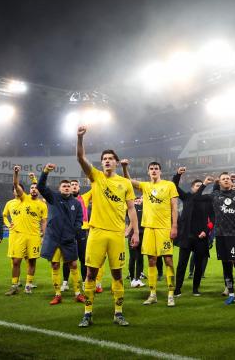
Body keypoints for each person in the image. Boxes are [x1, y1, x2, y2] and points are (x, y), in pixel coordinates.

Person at [76, 126, 139, 327]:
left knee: (117, 273)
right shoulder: (95, 176)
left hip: (117, 234)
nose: (107, 161)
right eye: (104, 159)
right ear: (101, 163)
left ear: (116, 162)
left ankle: (118, 313)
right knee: (90, 274)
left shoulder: (125, 183)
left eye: (110, 158)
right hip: (96, 232)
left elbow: (131, 209)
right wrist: (80, 138)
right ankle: (87, 313)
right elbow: (80, 158)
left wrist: (134, 230)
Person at [197, 172, 235, 308]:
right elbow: (196, 198)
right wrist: (205, 184)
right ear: (219, 182)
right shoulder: (215, 196)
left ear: (231, 181)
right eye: (223, 179)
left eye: (228, 179)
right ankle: (231, 295)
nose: (226, 180)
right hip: (221, 235)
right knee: (226, 264)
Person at [129, 161, 178, 306]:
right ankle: (153, 294)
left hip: (164, 228)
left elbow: (174, 207)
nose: (154, 170)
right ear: (148, 172)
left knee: (168, 260)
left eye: (156, 168)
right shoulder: (145, 186)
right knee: (151, 260)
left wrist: (174, 226)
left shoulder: (169, 185)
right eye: (151, 169)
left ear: (160, 171)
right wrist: (125, 167)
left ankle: (170, 294)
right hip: (149, 228)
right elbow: (128, 181)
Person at [37, 164, 85, 305]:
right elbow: (40, 187)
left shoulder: (76, 203)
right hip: (53, 239)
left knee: (74, 265)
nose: (66, 187)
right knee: (55, 265)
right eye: (63, 186)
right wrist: (45, 172)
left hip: (68, 239)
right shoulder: (53, 197)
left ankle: (77, 293)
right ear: (59, 189)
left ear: (71, 189)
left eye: (68, 186)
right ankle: (58, 294)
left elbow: (79, 220)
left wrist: (73, 231)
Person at [4, 166, 47, 296]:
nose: (34, 190)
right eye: (32, 188)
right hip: (20, 236)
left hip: (34, 236)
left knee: (32, 261)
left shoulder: (42, 205)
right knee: (16, 261)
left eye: (36, 188)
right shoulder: (24, 198)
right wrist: (16, 172)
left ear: (39, 191)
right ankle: (14, 285)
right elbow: (16, 185)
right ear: (29, 191)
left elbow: (44, 221)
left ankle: (28, 285)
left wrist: (43, 234)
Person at [171, 167, 212, 297]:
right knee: (182, 264)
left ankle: (195, 289)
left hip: (200, 236)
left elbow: (212, 218)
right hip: (187, 236)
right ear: (192, 188)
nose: (200, 187)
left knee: (199, 265)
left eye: (201, 185)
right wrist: (178, 174)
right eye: (197, 186)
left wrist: (206, 231)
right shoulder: (187, 197)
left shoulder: (206, 200)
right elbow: (174, 185)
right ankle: (177, 288)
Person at [60, 180, 89, 292]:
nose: (74, 186)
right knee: (67, 258)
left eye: (76, 184)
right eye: (72, 185)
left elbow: (96, 187)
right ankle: (65, 282)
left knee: (83, 258)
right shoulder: (64, 200)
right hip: (68, 231)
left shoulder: (85, 197)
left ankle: (84, 282)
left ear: (79, 187)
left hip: (82, 230)